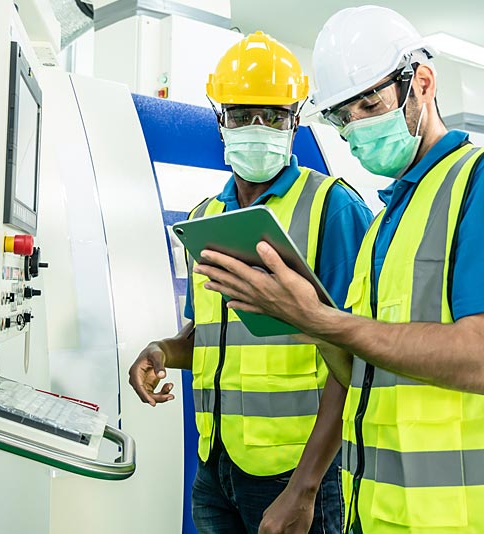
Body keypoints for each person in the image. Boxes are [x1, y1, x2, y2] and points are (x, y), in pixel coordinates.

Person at [191, 7, 484, 534]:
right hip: (387, 511)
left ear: (421, 83)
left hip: (482, 517)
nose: (356, 124)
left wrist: (317, 319)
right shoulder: (386, 223)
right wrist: (292, 311)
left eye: (368, 102)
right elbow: (357, 368)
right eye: (341, 115)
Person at [127, 31, 373, 534]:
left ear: (295, 121)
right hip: (215, 467)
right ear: (222, 121)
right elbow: (216, 335)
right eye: (242, 115)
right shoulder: (206, 216)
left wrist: (304, 489)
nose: (257, 128)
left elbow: (358, 355)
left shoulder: (332, 208)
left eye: (274, 117)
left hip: (297, 472)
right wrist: (161, 350)